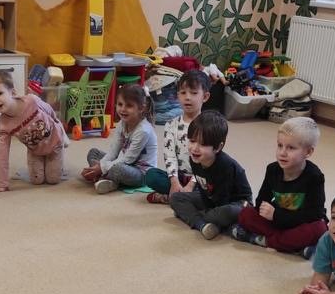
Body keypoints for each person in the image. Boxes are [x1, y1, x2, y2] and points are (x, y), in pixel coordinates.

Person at [231, 117, 327, 255]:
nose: (282, 152)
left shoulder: (314, 176)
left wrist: (277, 215)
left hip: (298, 222)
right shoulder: (272, 169)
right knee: (245, 214)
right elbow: (261, 201)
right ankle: (292, 246)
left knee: (320, 228)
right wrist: (268, 211)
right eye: (280, 145)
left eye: (291, 148)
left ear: (308, 152)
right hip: (277, 222)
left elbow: (314, 214)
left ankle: (264, 240)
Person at [169, 110, 253, 239]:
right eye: (192, 141)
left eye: (202, 144)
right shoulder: (195, 159)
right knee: (176, 198)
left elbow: (224, 200)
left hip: (236, 203)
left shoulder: (226, 166)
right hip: (211, 199)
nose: (194, 148)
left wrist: (204, 211)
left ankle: (194, 217)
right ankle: (202, 224)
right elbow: (203, 190)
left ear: (218, 147)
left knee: (223, 213)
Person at [0, 69, 67, 193]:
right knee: (37, 181)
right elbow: (2, 155)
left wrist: (58, 126)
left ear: (12, 92)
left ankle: (59, 155)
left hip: (55, 143)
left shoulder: (31, 100)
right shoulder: (3, 126)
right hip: (35, 151)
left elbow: (49, 110)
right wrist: (2, 183)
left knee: (53, 180)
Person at [143, 69, 210, 204]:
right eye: (183, 93)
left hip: (202, 178)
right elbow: (170, 156)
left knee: (215, 186)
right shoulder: (171, 125)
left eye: (194, 93)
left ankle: (172, 197)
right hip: (179, 177)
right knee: (150, 176)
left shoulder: (209, 125)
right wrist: (174, 182)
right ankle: (180, 196)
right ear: (177, 95)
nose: (187, 97)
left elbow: (207, 161)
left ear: (205, 96)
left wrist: (191, 185)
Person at [80, 82, 158, 194]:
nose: (123, 109)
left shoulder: (143, 130)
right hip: (122, 162)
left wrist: (101, 168)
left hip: (140, 173)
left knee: (118, 169)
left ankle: (105, 178)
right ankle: (108, 179)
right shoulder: (122, 123)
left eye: (129, 106)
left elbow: (128, 159)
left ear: (141, 108)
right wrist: (101, 166)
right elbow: (113, 151)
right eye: (120, 104)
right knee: (93, 153)